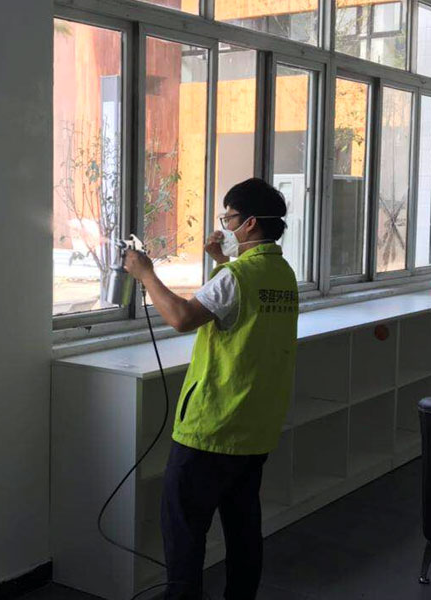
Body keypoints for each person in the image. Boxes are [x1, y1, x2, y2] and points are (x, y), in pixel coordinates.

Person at [124, 178, 299, 600]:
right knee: (243, 527)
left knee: (184, 531)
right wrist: (220, 259)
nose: (225, 225)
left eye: (229, 218)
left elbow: (182, 318)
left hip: (213, 427)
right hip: (255, 426)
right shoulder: (282, 273)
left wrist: (146, 274)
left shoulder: (238, 276)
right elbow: (240, 311)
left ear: (250, 223)